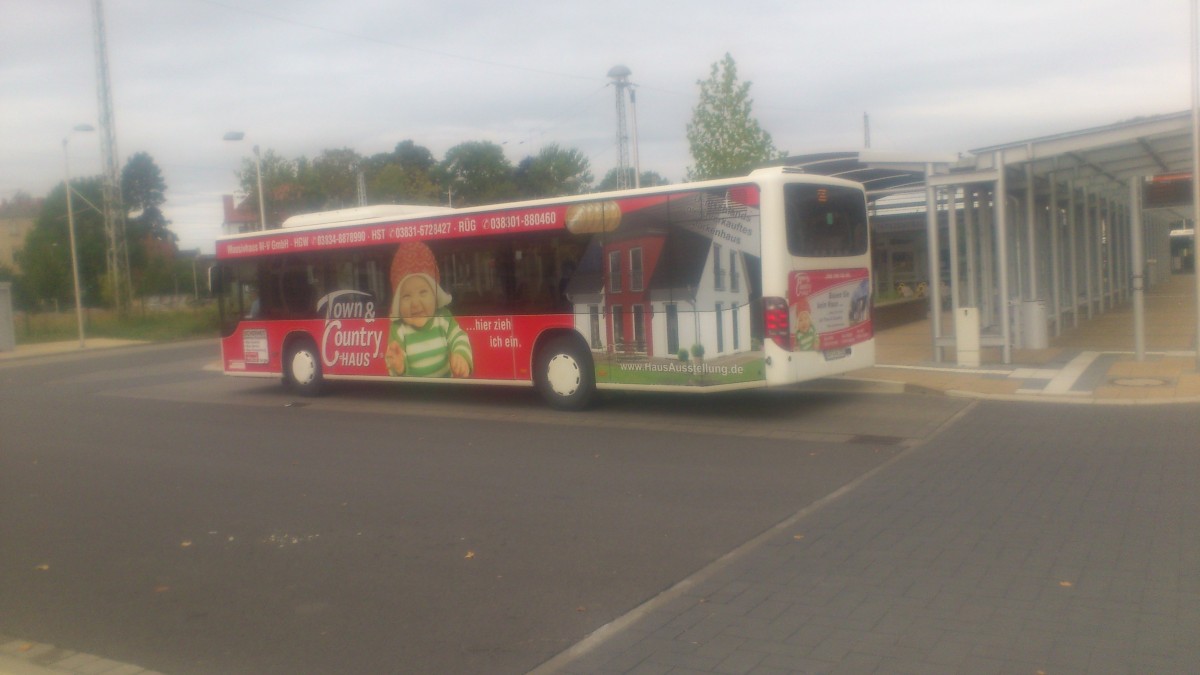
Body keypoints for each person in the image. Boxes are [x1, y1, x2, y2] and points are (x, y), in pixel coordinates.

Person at [385, 241, 474, 378]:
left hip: (444, 390)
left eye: (423, 293)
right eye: (407, 296)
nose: (415, 303)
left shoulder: (443, 318)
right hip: (415, 393)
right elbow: (394, 360)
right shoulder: (398, 328)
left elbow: (459, 337)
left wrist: (461, 356)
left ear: (435, 295)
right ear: (398, 302)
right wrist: (399, 366)